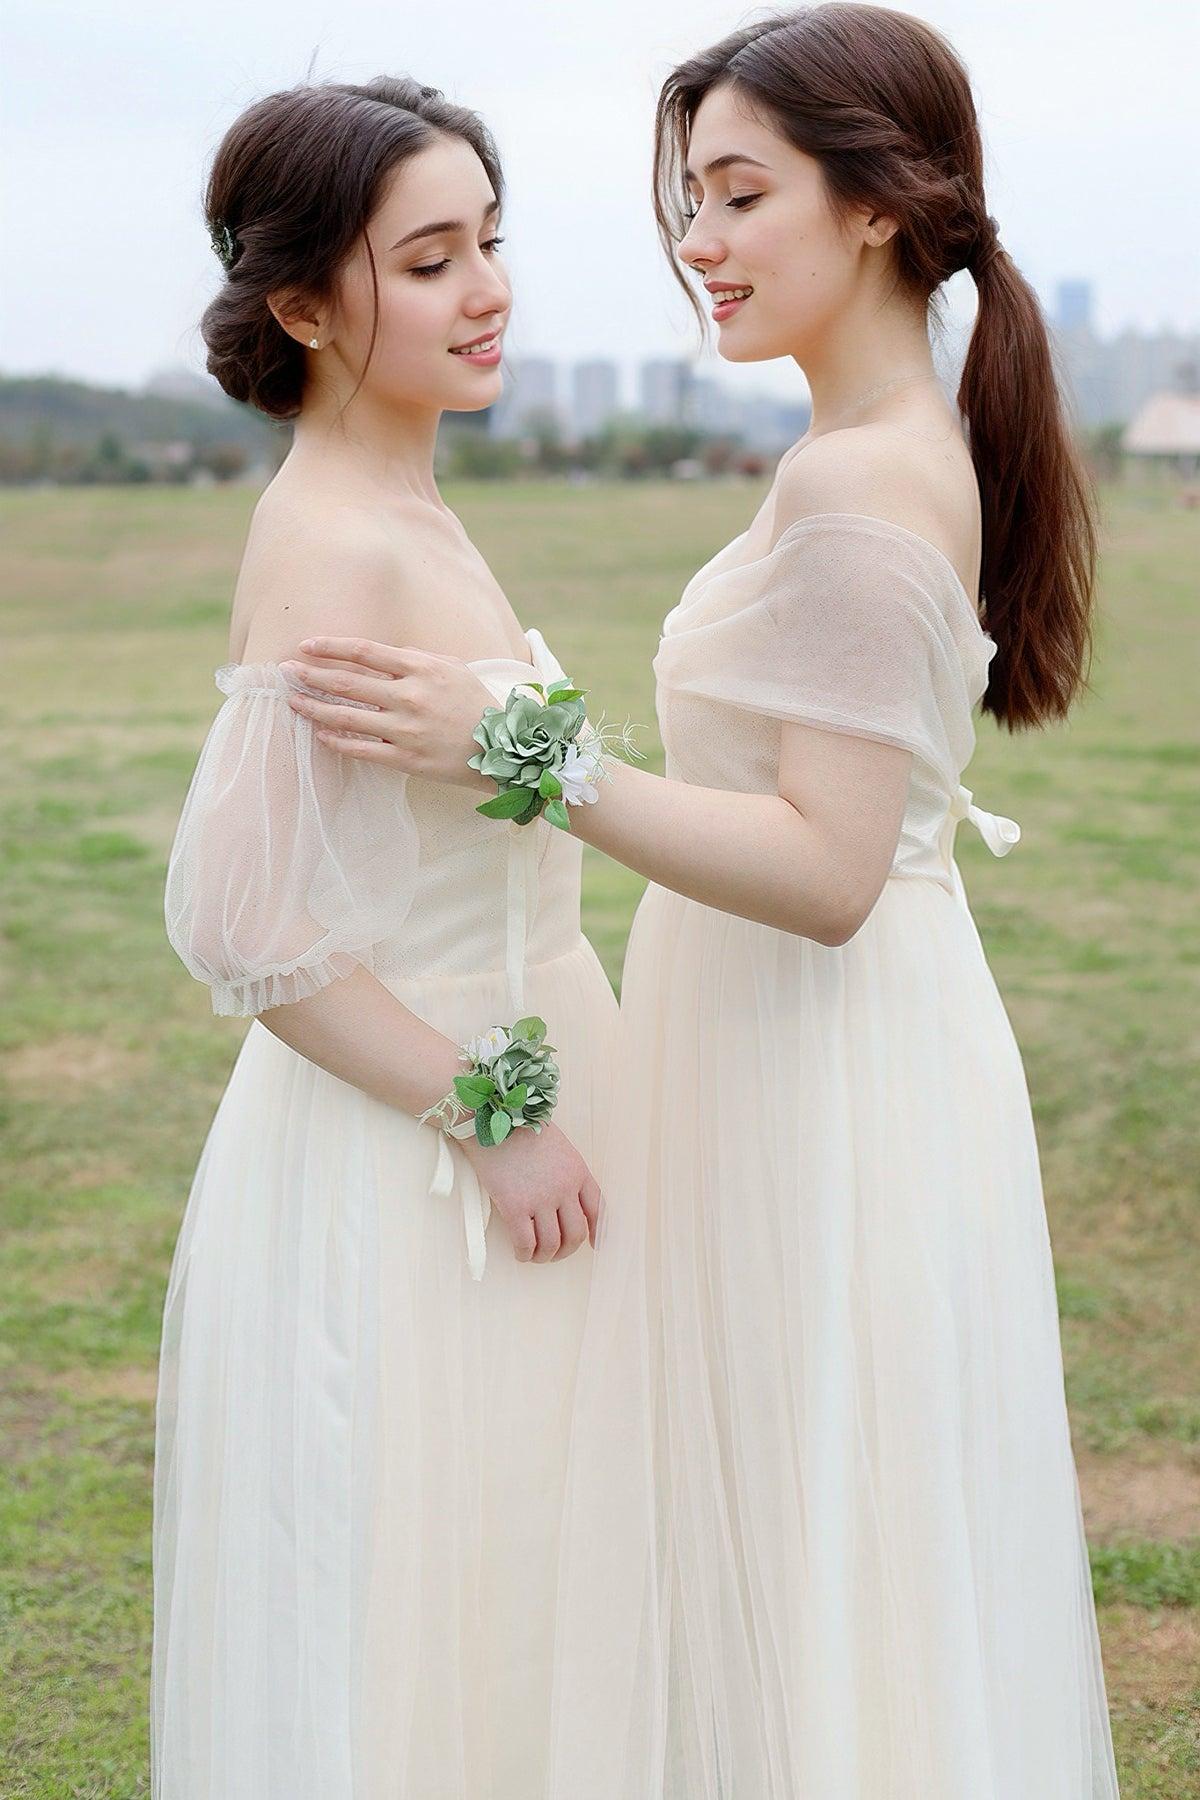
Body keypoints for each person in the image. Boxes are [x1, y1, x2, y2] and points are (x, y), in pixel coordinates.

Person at [285, 10, 1122, 1796]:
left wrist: (530, 747)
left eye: (739, 196)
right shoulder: (873, 442)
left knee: (819, 1525)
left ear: (883, 206)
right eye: (690, 203)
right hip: (808, 1044)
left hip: (819, 1049)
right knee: (803, 1523)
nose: (700, 246)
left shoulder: (859, 476)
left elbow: (826, 871)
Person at [152, 76, 617, 1800]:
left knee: (525, 1583)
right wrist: (489, 1117)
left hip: (524, 1071)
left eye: (490, 243)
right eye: (430, 260)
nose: (487, 288)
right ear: (301, 306)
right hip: (418, 1159)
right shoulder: (339, 538)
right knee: (426, 1601)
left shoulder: (409, 504)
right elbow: (249, 928)